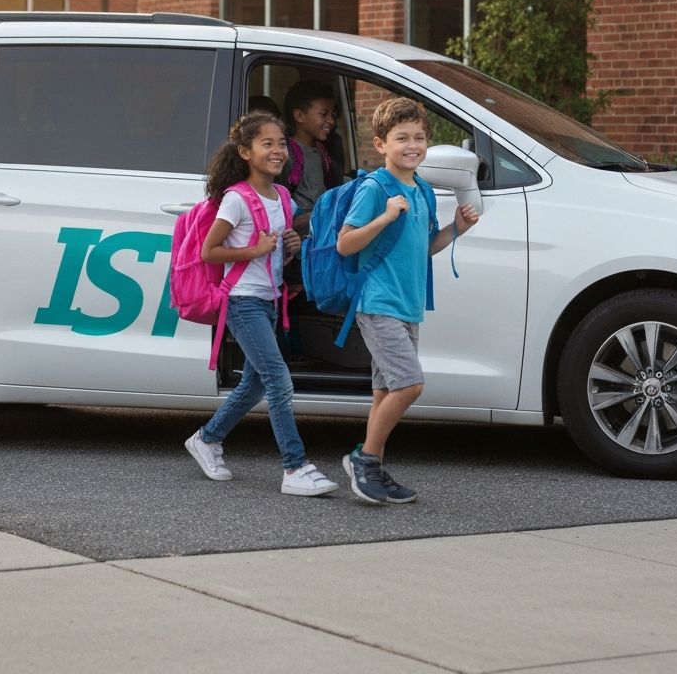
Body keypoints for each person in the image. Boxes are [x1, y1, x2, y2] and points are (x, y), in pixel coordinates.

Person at [184, 110, 339, 497]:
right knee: (278, 380)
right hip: (241, 302)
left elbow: (275, 254)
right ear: (245, 152)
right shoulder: (237, 199)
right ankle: (295, 466)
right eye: (266, 144)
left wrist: (289, 249)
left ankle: (207, 438)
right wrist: (256, 248)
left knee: (254, 383)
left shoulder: (283, 197)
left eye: (282, 143)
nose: (277, 151)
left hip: (270, 300)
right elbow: (209, 252)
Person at [337, 97, 479, 504]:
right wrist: (383, 216)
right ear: (382, 145)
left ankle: (372, 467)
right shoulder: (374, 188)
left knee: (385, 392)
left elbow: (422, 249)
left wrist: (457, 228)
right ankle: (362, 459)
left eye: (419, 137)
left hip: (408, 305)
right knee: (410, 384)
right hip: (377, 303)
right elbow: (345, 244)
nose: (412, 145)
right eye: (402, 138)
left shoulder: (423, 192)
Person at [281, 80, 340, 236]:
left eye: (332, 115)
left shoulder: (322, 152)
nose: (331, 121)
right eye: (323, 114)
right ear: (300, 116)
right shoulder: (285, 154)